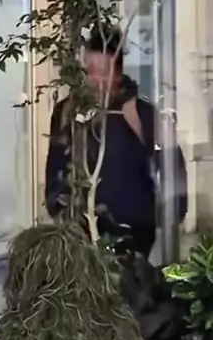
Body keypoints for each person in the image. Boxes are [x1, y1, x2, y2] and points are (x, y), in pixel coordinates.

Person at [45, 30, 187, 258]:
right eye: (89, 72)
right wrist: (59, 210)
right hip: (81, 228)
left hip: (134, 230)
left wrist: (173, 214)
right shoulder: (67, 112)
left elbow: (171, 164)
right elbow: (56, 165)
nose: (94, 81)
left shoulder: (140, 112)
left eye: (102, 73)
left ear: (118, 74)